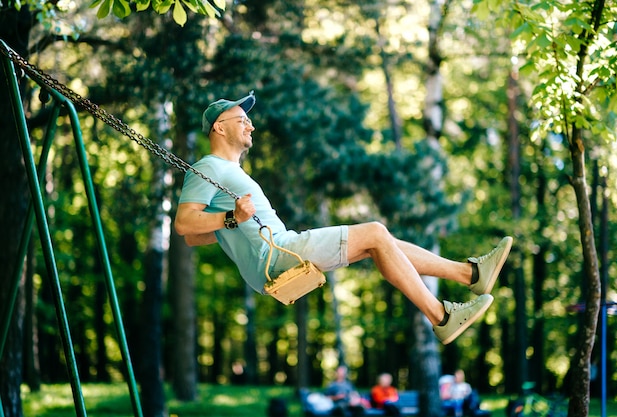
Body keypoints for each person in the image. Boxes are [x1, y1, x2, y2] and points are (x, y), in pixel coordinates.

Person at [174, 91, 513, 345]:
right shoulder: (208, 167)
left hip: (276, 252)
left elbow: (202, 234)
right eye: (241, 120)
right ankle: (442, 316)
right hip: (278, 252)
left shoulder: (228, 171)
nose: (251, 124)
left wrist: (230, 222)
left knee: (380, 245)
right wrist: (232, 218)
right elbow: (185, 226)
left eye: (249, 119)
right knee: (376, 233)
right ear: (219, 127)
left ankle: (471, 273)